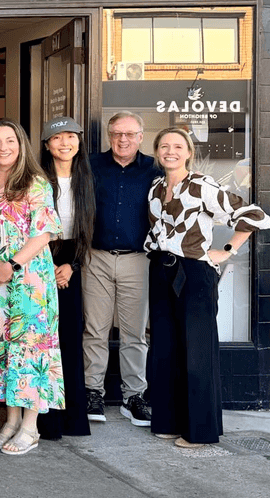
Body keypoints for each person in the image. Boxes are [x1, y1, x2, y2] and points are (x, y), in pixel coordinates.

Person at [145, 128, 270, 448]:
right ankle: (170, 421)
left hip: (194, 274)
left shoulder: (202, 186)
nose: (170, 151)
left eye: (177, 146)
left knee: (197, 352)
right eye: (163, 146)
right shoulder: (157, 188)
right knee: (165, 349)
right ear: (157, 152)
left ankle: (200, 432)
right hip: (161, 270)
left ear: (188, 152)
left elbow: (253, 215)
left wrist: (226, 250)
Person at [0, 118, 63, 456]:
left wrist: (14, 265)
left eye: (10, 140)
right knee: (4, 349)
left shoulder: (36, 183)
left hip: (30, 281)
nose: (3, 147)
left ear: (21, 145)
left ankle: (30, 427)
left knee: (32, 349)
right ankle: (10, 420)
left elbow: (44, 233)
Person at [83, 111, 160, 426]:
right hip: (96, 257)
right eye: (117, 134)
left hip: (137, 259)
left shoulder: (154, 169)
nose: (123, 139)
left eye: (129, 134)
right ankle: (92, 393)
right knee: (95, 330)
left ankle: (134, 397)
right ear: (109, 136)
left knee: (134, 333)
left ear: (141, 136)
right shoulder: (90, 165)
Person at [36, 117, 95, 441]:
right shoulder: (36, 179)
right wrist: (49, 265)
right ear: (46, 145)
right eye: (57, 138)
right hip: (40, 256)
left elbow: (89, 228)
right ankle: (47, 422)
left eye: (71, 137)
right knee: (43, 340)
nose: (64, 143)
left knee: (69, 341)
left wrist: (72, 265)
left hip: (73, 260)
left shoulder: (87, 178)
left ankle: (73, 419)